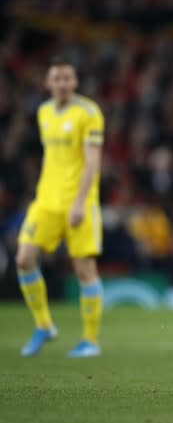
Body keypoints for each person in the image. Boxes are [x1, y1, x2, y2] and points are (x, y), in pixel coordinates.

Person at [16, 57, 105, 358]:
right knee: (24, 258)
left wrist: (80, 202)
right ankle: (44, 325)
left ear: (75, 82)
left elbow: (92, 161)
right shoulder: (43, 113)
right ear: (48, 83)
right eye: (57, 79)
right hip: (46, 200)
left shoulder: (89, 113)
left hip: (79, 200)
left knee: (84, 269)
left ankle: (90, 340)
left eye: (68, 78)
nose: (62, 84)